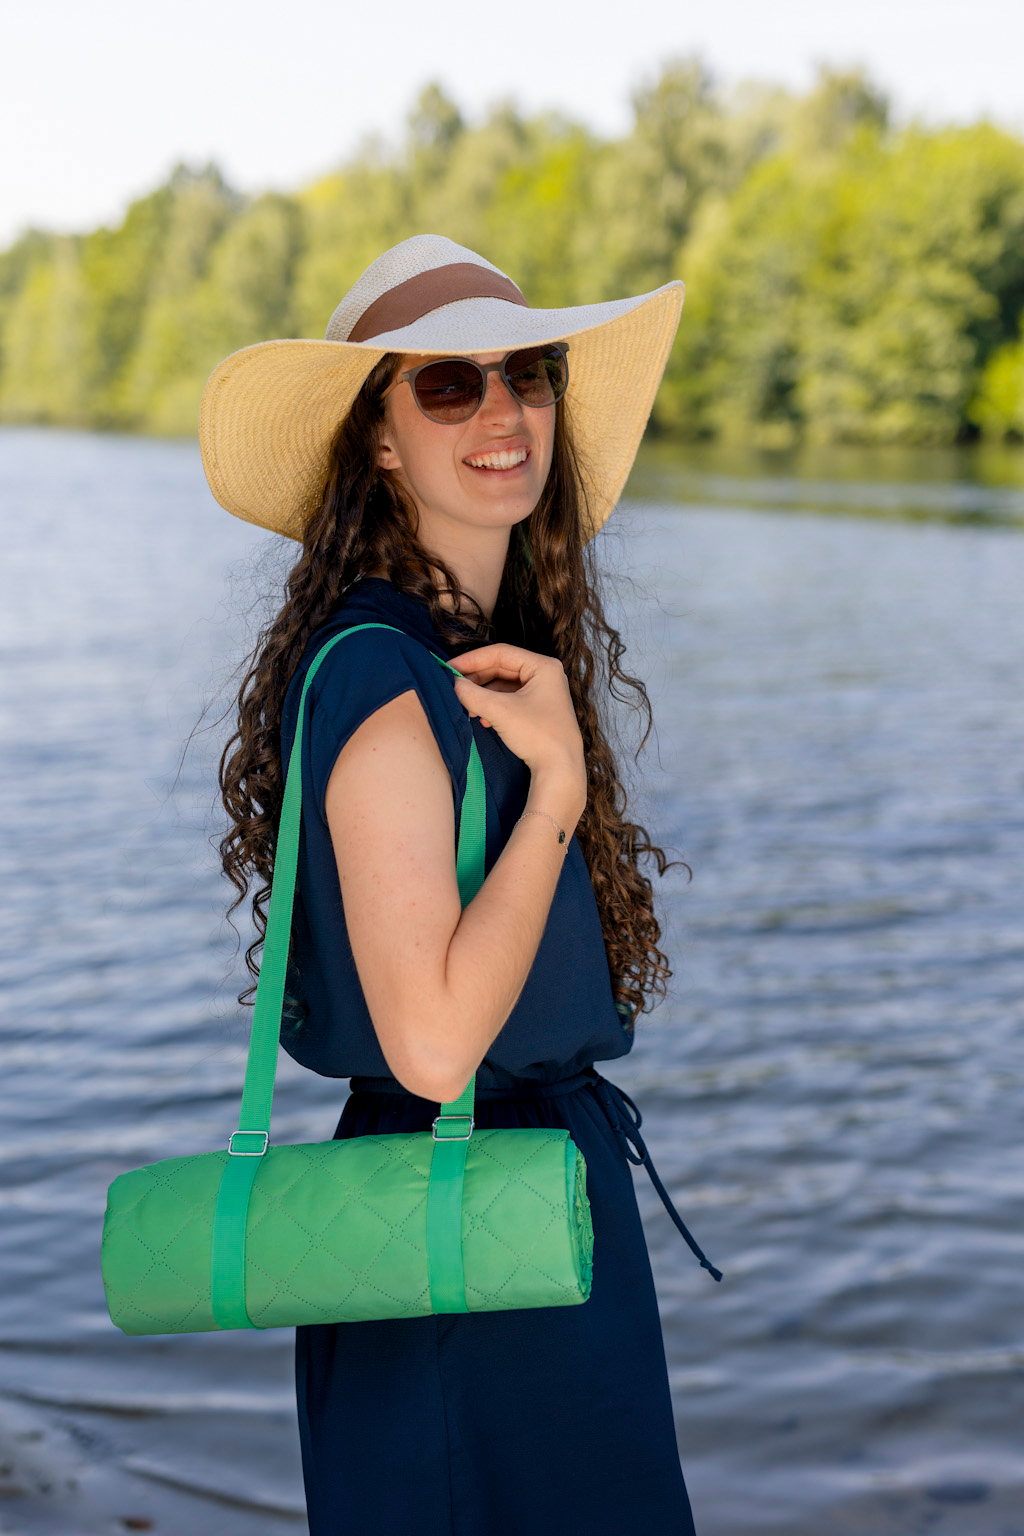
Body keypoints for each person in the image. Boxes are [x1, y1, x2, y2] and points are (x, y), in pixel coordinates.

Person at [199, 234, 720, 1536]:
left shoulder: (475, 656)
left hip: (531, 1219)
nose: (503, 411)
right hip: (456, 1252)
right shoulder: (385, 675)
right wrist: (554, 799)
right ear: (379, 439)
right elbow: (434, 1049)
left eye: (527, 373)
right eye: (447, 385)